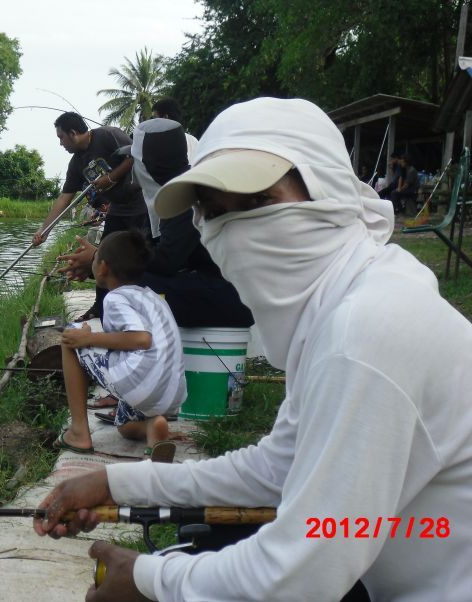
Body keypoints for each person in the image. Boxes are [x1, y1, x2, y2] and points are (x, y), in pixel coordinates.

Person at [34, 97, 472, 601]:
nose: (238, 231)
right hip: (379, 564)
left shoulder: (364, 333)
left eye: (258, 201)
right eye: (215, 213)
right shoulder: (350, 302)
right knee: (209, 548)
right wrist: (118, 484)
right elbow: (275, 468)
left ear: (324, 186)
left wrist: (148, 580)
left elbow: (303, 574)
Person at [60, 118, 253, 329]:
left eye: (135, 161)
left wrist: (99, 259)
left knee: (122, 286)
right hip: (208, 287)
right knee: (120, 276)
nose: (132, 169)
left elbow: (165, 262)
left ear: (147, 164)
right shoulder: (162, 197)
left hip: (229, 298)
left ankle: (128, 351)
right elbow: (146, 252)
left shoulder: (186, 197)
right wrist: (95, 266)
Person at [54, 230, 186, 459]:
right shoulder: (151, 296)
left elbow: (141, 339)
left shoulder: (115, 297)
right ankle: (153, 427)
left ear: (102, 267)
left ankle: (78, 432)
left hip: (142, 382)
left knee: (71, 336)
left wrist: (88, 338)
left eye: (94, 259)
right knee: (124, 426)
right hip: (171, 394)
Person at [33, 112, 148, 321]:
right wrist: (44, 230)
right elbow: (64, 198)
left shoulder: (108, 135)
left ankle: (141, 306)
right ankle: (100, 307)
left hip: (142, 207)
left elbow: (136, 156)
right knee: (104, 257)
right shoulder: (76, 163)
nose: (61, 144)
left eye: (61, 138)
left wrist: (111, 177)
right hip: (118, 210)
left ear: (73, 133)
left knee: (142, 258)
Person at [151, 96, 198, 163]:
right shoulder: (193, 140)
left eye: (154, 118)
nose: (152, 122)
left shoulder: (158, 143)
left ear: (165, 117)